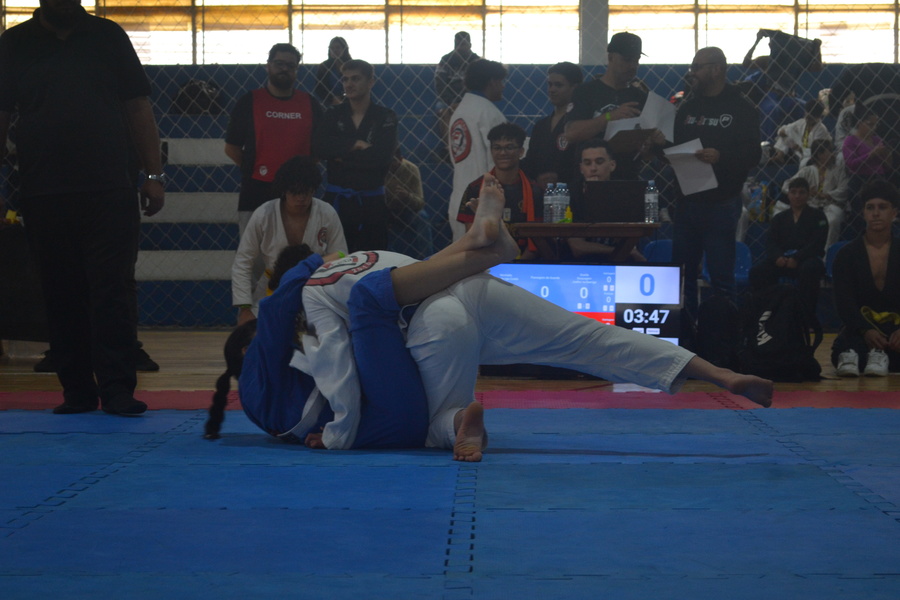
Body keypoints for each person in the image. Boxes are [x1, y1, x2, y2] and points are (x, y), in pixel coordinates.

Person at [207, 176, 774, 461]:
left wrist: (335, 434)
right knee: (587, 338)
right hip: (458, 287)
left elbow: (339, 373)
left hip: (434, 323)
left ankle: (460, 419)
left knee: (428, 419)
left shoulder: (309, 309)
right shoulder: (344, 267)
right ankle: (716, 372)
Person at [0, 0, 165, 415]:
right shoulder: (14, 43)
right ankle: (76, 389)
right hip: (43, 190)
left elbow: (138, 106)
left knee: (113, 289)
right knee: (59, 292)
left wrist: (153, 174)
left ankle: (117, 388)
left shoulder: (109, 37)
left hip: (110, 187)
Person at [671, 47, 761, 320]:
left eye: (697, 67)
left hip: (721, 202)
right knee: (681, 276)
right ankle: (685, 332)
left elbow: (753, 155)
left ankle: (723, 336)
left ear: (716, 69)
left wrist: (721, 157)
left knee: (721, 277)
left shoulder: (741, 107)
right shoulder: (687, 107)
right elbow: (674, 147)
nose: (692, 73)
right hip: (687, 200)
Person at [232, 156, 347, 326]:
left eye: (306, 192)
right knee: (252, 333)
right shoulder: (264, 214)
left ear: (314, 189)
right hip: (272, 288)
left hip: (314, 289)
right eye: (294, 192)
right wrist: (244, 308)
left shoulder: (326, 213)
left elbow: (342, 256)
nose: (301, 198)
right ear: (284, 190)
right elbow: (243, 261)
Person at [225, 43, 322, 234]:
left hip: (299, 194)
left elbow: (319, 150)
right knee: (254, 251)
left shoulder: (310, 104)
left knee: (300, 249)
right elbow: (231, 148)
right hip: (256, 193)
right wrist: (254, 170)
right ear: (268, 66)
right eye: (279, 63)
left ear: (296, 70)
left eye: (290, 65)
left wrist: (300, 174)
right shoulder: (249, 101)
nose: (284, 69)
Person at [313, 59, 397, 252]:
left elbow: (381, 158)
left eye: (356, 79)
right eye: (345, 79)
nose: (349, 84)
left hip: (372, 204)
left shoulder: (385, 116)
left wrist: (341, 156)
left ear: (370, 82)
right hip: (337, 202)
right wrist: (354, 144)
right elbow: (320, 148)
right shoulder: (333, 113)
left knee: (373, 260)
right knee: (335, 260)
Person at [565, 32, 664, 180]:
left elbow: (648, 155)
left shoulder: (641, 97)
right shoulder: (586, 92)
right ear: (611, 57)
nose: (632, 66)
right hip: (590, 178)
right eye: (627, 60)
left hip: (627, 177)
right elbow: (571, 134)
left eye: (636, 60)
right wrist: (609, 117)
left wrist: (651, 143)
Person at [831, 180, 900, 377]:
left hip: (897, 327)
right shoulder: (847, 255)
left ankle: (879, 356)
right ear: (863, 213)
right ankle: (870, 354)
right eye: (870, 208)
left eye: (882, 207)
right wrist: (865, 330)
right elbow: (844, 302)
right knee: (846, 352)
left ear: (894, 213)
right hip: (860, 327)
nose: (876, 213)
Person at [456, 123, 542, 259]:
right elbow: (473, 238)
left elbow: (538, 240)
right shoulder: (476, 189)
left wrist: (517, 266)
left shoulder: (535, 191)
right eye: (497, 148)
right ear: (491, 151)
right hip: (487, 261)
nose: (503, 153)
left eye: (509, 147)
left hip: (525, 263)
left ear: (521, 151)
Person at [749, 177, 827, 318]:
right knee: (758, 271)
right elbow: (770, 242)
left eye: (801, 192)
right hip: (782, 259)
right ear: (788, 194)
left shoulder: (819, 216)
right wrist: (777, 257)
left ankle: (806, 317)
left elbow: (817, 243)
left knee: (811, 269)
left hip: (806, 259)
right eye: (793, 192)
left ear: (808, 194)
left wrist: (797, 257)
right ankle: (765, 314)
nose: (797, 196)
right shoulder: (779, 218)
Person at [447, 59, 507, 242]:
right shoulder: (489, 113)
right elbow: (500, 160)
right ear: (492, 81)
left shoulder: (459, 112)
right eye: (501, 82)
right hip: (481, 201)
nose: (503, 87)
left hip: (459, 198)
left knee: (462, 255)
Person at [566, 139, 646, 263]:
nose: (593, 168)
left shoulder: (625, 192)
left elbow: (630, 240)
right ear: (581, 168)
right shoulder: (569, 195)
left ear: (612, 165)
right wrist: (621, 251)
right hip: (580, 264)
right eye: (587, 163)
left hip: (621, 263)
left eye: (599, 162)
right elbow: (577, 247)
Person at [520, 62, 583, 188]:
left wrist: (560, 177)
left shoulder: (582, 124)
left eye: (558, 85)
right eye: (550, 84)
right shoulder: (540, 126)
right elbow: (531, 162)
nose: (552, 89)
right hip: (541, 192)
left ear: (575, 88)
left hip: (572, 191)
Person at [777, 139, 848, 249]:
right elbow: (787, 185)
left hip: (831, 204)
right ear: (820, 154)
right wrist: (805, 192)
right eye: (829, 151)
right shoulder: (807, 170)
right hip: (811, 204)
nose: (832, 153)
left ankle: (827, 253)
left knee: (832, 221)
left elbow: (844, 189)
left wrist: (827, 195)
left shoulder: (838, 170)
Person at [842, 103, 894, 240]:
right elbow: (851, 164)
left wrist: (887, 155)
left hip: (878, 179)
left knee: (881, 213)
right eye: (870, 124)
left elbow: (887, 166)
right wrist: (871, 154)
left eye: (875, 124)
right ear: (860, 123)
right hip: (860, 181)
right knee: (861, 216)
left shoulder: (877, 140)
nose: (873, 128)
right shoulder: (850, 140)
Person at [434, 32, 480, 142]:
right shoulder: (446, 60)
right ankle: (448, 145)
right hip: (449, 100)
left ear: (470, 45)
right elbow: (440, 84)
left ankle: (474, 143)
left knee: (480, 109)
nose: (460, 48)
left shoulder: (477, 61)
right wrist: (451, 102)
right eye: (457, 44)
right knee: (443, 110)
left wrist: (466, 102)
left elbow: (480, 85)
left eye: (463, 44)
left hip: (471, 99)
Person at [770, 98, 831, 166]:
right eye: (807, 117)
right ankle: (779, 156)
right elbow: (781, 130)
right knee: (787, 134)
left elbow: (815, 152)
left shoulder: (821, 130)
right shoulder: (802, 122)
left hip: (808, 156)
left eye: (810, 118)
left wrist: (798, 148)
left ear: (818, 117)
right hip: (796, 150)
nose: (807, 120)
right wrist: (785, 132)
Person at [315, 36, 351, 107]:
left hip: (349, 101)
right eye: (332, 48)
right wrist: (331, 99)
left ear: (344, 49)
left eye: (338, 47)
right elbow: (318, 88)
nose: (335, 50)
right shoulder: (324, 66)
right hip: (328, 103)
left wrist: (343, 99)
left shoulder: (352, 65)